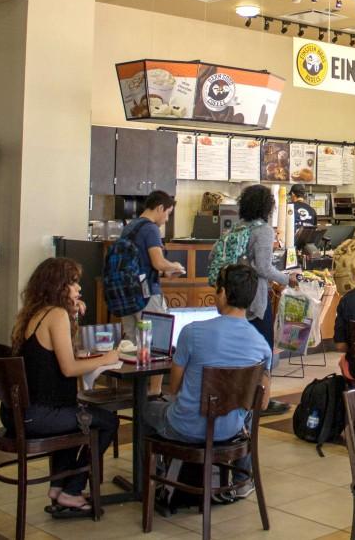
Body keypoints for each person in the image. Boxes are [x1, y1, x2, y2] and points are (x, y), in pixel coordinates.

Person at [143, 264, 270, 501]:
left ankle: (156, 483)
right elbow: (261, 403)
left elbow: (174, 388)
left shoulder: (192, 332)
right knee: (247, 412)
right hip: (229, 432)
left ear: (222, 293)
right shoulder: (262, 345)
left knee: (148, 409)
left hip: (185, 428)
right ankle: (242, 481)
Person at [3, 257, 120, 514]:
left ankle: (58, 486)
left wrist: (73, 315)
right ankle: (72, 490)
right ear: (58, 286)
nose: (79, 289)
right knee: (107, 421)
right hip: (37, 415)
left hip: (18, 413)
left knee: (76, 412)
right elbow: (69, 367)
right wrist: (109, 358)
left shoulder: (35, 312)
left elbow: (60, 358)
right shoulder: (56, 315)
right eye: (73, 283)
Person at [236, 185, 297, 416]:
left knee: (241, 348)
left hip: (235, 296)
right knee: (263, 349)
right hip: (255, 299)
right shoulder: (263, 231)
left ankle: (241, 395)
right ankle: (263, 400)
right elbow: (263, 267)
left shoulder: (238, 228)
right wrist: (286, 279)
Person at [118, 190, 184, 342]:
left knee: (132, 342)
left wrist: (164, 272)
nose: (167, 219)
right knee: (157, 340)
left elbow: (140, 263)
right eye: (168, 213)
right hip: (145, 292)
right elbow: (158, 262)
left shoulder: (129, 228)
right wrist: (175, 266)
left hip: (126, 292)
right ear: (160, 208)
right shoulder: (151, 228)